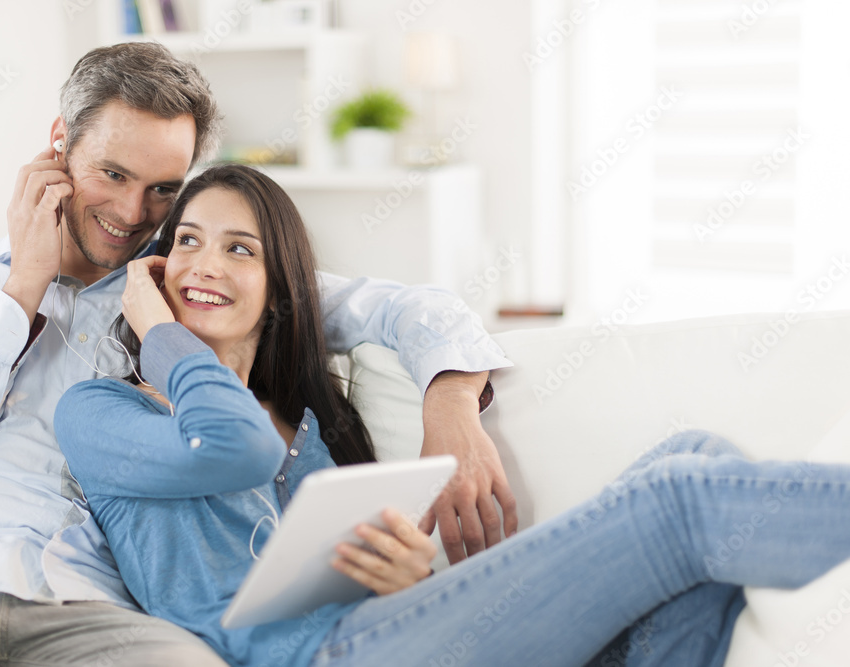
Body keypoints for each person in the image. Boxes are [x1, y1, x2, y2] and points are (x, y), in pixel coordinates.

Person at [0, 43, 514, 665]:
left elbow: (410, 308)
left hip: (87, 609)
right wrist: (22, 286)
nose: (133, 213)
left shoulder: (186, 285)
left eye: (163, 188)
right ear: (59, 146)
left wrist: (453, 401)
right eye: (112, 174)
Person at [56, 163, 850, 667]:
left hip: (379, 639)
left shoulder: (303, 422)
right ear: (155, 271)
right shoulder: (100, 411)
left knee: (697, 449)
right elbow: (226, 442)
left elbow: (332, 579)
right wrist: (155, 328)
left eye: (241, 249)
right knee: (677, 499)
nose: (204, 263)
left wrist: (398, 579)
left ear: (281, 290)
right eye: (187, 241)